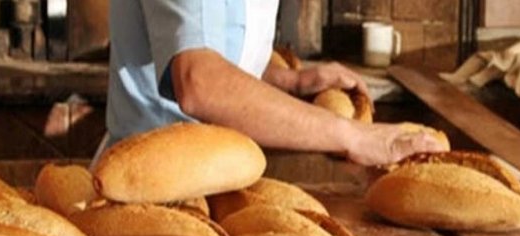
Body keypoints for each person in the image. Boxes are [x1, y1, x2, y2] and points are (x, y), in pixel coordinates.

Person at [101, 0, 449, 166]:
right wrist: (352, 136)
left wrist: (290, 81)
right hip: (151, 182)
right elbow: (199, 80)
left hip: (217, 173)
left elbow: (223, 44)